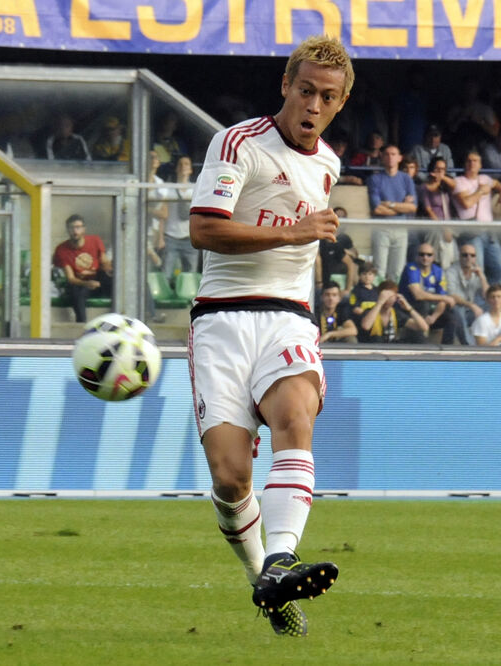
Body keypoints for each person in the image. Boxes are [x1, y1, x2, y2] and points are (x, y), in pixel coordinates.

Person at [187, 35, 352, 637]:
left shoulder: (328, 165)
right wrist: (293, 233)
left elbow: (305, 244)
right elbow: (204, 230)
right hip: (222, 320)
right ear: (286, 85)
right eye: (305, 90)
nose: (313, 104)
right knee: (231, 479)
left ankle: (283, 554)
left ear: (339, 104)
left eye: (326, 97)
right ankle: (268, 581)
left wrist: (312, 304)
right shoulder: (237, 144)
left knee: (295, 414)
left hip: (287, 316)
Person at [368, 143, 417, 284]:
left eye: (394, 154)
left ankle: (393, 302)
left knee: (397, 270)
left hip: (401, 228)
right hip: (381, 228)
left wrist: (388, 204)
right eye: (387, 154)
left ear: (400, 158)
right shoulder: (375, 179)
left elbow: (412, 208)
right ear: (382, 157)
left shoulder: (406, 179)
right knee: (379, 269)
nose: (390, 157)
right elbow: (376, 208)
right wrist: (402, 206)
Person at [451, 150, 501, 285]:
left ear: (480, 165)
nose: (472, 164)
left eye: (475, 161)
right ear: (464, 164)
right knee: (476, 271)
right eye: (469, 161)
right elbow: (466, 203)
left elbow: (496, 184)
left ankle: (493, 300)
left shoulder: (485, 179)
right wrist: (481, 191)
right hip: (471, 232)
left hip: (489, 232)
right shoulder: (458, 181)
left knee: (498, 268)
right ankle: (477, 304)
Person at [52, 213, 112, 323]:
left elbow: (104, 262)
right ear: (67, 230)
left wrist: (110, 269)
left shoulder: (95, 241)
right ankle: (81, 324)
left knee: (115, 283)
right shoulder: (62, 249)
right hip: (80, 284)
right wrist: (87, 284)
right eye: (72, 228)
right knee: (76, 292)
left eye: (78, 227)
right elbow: (71, 278)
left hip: (98, 280)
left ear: (84, 229)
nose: (75, 231)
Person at [399, 242, 457, 344]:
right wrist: (443, 298)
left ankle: (448, 349)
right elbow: (418, 295)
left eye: (429, 255)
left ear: (433, 257)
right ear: (417, 256)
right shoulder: (411, 268)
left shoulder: (438, 271)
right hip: (409, 309)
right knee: (424, 304)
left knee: (453, 317)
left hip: (430, 312)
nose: (425, 258)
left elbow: (442, 300)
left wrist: (434, 317)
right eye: (422, 254)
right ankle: (420, 342)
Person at [158, 154, 199, 279]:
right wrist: (160, 237)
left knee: (190, 276)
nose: (183, 167)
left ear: (191, 169)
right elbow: (162, 215)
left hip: (190, 239)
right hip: (171, 237)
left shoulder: (196, 189)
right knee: (166, 274)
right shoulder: (168, 189)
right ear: (176, 169)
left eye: (186, 164)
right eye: (180, 164)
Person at [444, 243, 489, 345]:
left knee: (495, 303)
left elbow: (488, 296)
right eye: (465, 255)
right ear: (459, 256)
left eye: (472, 255)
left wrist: (482, 277)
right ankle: (469, 346)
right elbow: (452, 296)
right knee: (457, 310)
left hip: (470, 312)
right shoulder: (451, 271)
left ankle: (493, 342)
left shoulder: (477, 271)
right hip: (454, 310)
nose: (468, 258)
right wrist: (472, 305)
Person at [358, 280, 429, 342]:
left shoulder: (396, 314)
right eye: (386, 296)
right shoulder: (370, 311)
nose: (388, 299)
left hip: (390, 349)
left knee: (418, 336)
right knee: (377, 338)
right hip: (371, 348)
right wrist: (380, 302)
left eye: (391, 296)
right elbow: (366, 326)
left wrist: (409, 308)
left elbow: (424, 327)